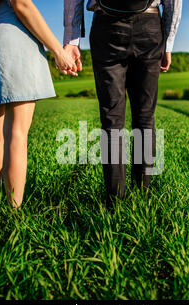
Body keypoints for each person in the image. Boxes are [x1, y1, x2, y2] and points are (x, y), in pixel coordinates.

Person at [64, 0, 182, 206]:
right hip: (150, 25)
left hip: (106, 25)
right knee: (145, 117)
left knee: (111, 120)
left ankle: (114, 202)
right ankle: (142, 196)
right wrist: (168, 42)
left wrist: (72, 39)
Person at [0, 0, 78, 208]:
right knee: (17, 133)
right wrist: (58, 51)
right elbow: (22, 5)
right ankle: (12, 212)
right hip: (12, 40)